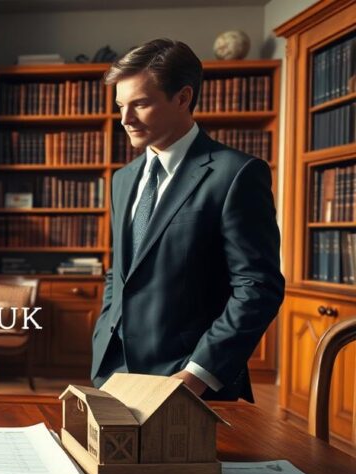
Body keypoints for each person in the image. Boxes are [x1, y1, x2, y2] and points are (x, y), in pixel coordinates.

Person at [91, 39, 284, 401]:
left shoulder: (237, 174)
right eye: (120, 106)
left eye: (140, 104)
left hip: (191, 384)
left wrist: (196, 375)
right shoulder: (122, 179)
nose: (125, 119)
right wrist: (104, 338)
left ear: (183, 98)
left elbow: (258, 288)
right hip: (115, 375)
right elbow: (120, 274)